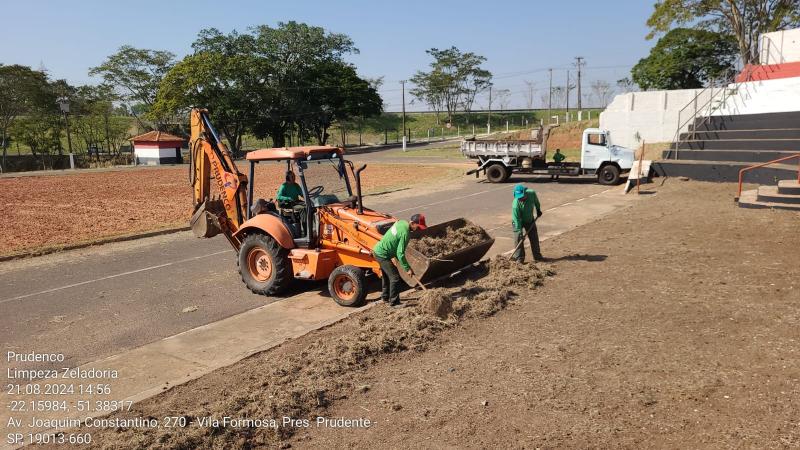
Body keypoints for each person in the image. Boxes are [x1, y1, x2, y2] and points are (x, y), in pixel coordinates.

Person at [372, 213, 427, 306]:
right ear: (413, 223)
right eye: (418, 227)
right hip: (383, 255)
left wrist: (404, 264)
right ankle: (394, 302)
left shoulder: (401, 222)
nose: (418, 229)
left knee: (386, 276)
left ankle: (385, 297)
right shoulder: (405, 233)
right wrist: (407, 268)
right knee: (395, 278)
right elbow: (400, 253)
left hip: (379, 251)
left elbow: (395, 244)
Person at [512, 184, 543, 262]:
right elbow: (517, 219)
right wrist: (520, 233)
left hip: (529, 219)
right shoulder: (515, 204)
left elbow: (536, 201)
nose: (520, 199)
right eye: (518, 197)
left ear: (525, 192)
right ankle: (519, 258)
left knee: (534, 237)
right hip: (518, 222)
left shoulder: (532, 193)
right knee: (518, 239)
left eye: (521, 197)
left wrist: (538, 209)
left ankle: (537, 256)